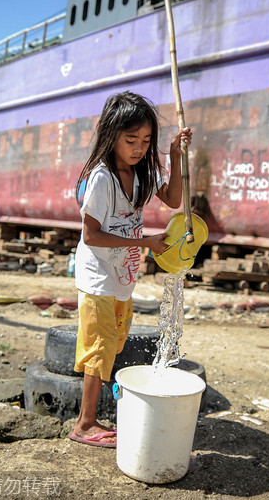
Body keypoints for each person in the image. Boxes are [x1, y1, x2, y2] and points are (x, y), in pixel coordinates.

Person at [68, 91, 192, 448]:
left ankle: (93, 416)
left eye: (146, 141)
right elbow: (91, 236)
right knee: (99, 347)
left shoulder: (142, 174)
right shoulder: (102, 179)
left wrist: (174, 155)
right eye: (131, 140)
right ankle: (84, 424)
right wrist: (145, 244)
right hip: (96, 278)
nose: (139, 148)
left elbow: (173, 200)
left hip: (123, 278)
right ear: (111, 135)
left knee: (114, 343)